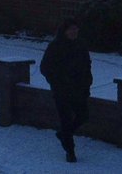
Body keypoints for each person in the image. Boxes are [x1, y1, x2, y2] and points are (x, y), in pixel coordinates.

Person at [39, 17, 92, 163]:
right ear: (64, 31)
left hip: (79, 89)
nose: (74, 32)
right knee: (66, 120)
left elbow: (87, 65)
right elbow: (45, 68)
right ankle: (70, 151)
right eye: (71, 29)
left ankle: (63, 134)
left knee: (83, 116)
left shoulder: (81, 45)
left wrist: (88, 82)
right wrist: (57, 82)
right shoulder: (55, 46)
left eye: (76, 29)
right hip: (62, 91)